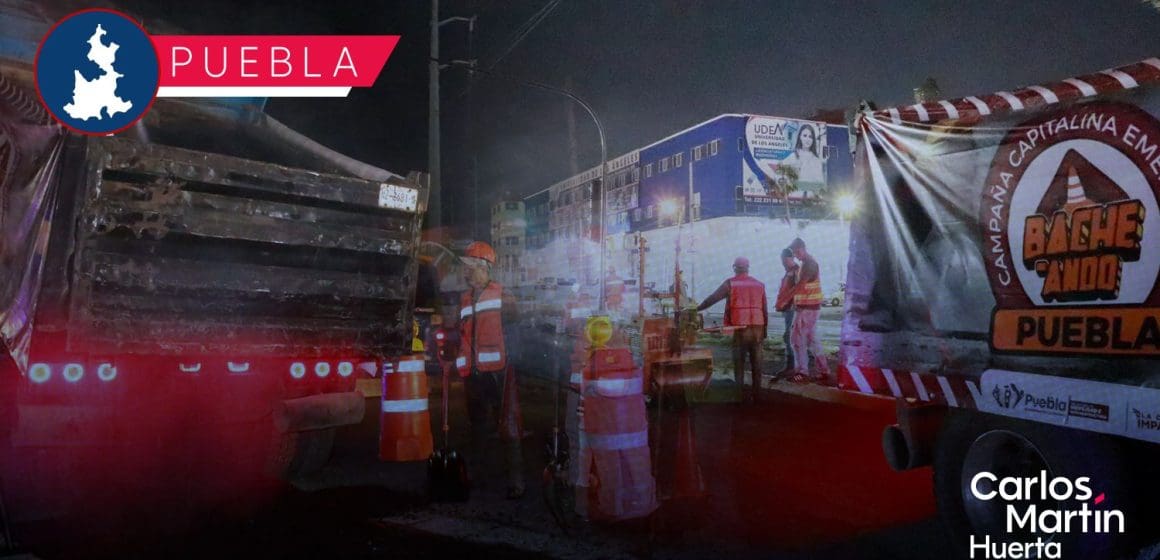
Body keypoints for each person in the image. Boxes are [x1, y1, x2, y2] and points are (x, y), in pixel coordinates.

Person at [456, 241, 525, 499]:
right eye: (465, 267)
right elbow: (462, 334)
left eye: (470, 266)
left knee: (508, 426)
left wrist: (512, 362)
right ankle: (478, 476)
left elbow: (516, 329)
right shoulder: (464, 299)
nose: (466, 272)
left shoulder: (502, 295)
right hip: (474, 375)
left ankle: (516, 482)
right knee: (478, 428)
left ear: (484, 267)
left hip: (499, 371)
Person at [696, 256, 768, 403]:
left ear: (734, 268)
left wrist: (697, 308)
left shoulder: (731, 283)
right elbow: (764, 309)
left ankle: (739, 396)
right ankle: (758, 396)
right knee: (757, 364)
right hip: (758, 328)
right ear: (748, 268)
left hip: (741, 328)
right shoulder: (759, 285)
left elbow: (713, 298)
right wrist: (764, 330)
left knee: (739, 363)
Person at [786, 238, 829, 384]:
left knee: (797, 340)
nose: (796, 256)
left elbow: (801, 286)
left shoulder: (809, 264)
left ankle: (802, 372)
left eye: (797, 252)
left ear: (803, 248)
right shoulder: (807, 263)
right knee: (812, 340)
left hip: (807, 309)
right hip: (810, 308)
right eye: (794, 253)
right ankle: (824, 370)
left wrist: (785, 299)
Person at [773, 248, 799, 379]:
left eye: (784, 261)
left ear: (790, 258)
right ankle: (792, 366)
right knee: (788, 336)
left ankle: (792, 367)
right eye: (781, 261)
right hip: (787, 309)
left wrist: (785, 303)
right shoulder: (788, 272)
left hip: (793, 309)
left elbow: (797, 290)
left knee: (790, 337)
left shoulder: (796, 271)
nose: (782, 263)